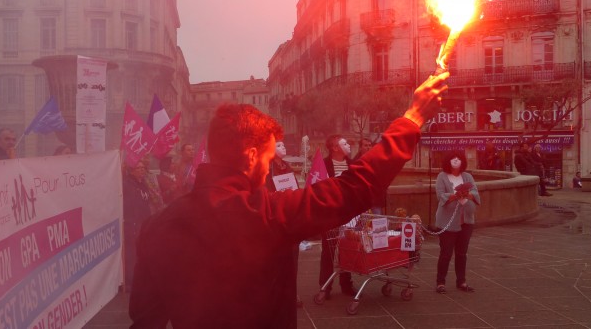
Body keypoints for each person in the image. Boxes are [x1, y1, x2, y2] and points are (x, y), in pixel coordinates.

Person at [129, 71, 449, 328]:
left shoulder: (156, 227)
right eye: (269, 158)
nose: (270, 166)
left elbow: (145, 321)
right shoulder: (267, 215)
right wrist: (412, 119)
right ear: (252, 157)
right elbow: (354, 188)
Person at [317, 134, 358, 298]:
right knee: (328, 251)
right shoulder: (324, 165)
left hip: (349, 213)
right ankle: (325, 287)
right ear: (334, 148)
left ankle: (346, 284)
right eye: (344, 143)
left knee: (347, 250)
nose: (348, 145)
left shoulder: (352, 164)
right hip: (330, 214)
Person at [434, 151, 480, 294]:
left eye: (458, 158)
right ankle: (440, 282)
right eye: (453, 158)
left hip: (466, 220)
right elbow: (440, 195)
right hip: (447, 221)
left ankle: (462, 281)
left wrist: (468, 194)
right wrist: (454, 196)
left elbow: (476, 193)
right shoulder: (442, 176)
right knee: (446, 253)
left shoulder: (467, 176)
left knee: (462, 253)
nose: (456, 161)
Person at [264, 141, 303, 307]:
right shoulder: (267, 168)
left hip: (289, 213)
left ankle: (292, 293)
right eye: (278, 145)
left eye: (283, 145)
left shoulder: (286, 166)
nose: (284, 147)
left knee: (293, 257)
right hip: (274, 216)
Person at [122, 159, 153, 293]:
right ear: (132, 171)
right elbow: (130, 205)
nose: (142, 170)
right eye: (138, 168)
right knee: (131, 252)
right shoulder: (128, 185)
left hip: (143, 222)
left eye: (143, 168)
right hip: (133, 223)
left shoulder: (143, 184)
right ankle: (130, 279)